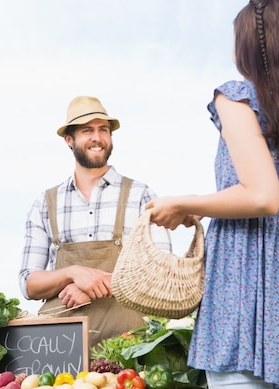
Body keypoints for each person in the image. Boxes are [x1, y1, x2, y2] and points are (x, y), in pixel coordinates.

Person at [145, 1, 279, 389]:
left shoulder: (237, 98)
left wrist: (185, 203)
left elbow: (262, 197)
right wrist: (212, 206)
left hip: (243, 276)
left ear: (248, 47)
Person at [18, 95, 172, 349]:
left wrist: (94, 286)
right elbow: (29, 283)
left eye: (103, 130)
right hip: (62, 348)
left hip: (132, 343)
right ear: (69, 140)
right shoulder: (45, 203)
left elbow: (162, 271)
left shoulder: (140, 195)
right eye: (87, 131)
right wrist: (73, 273)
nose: (97, 138)